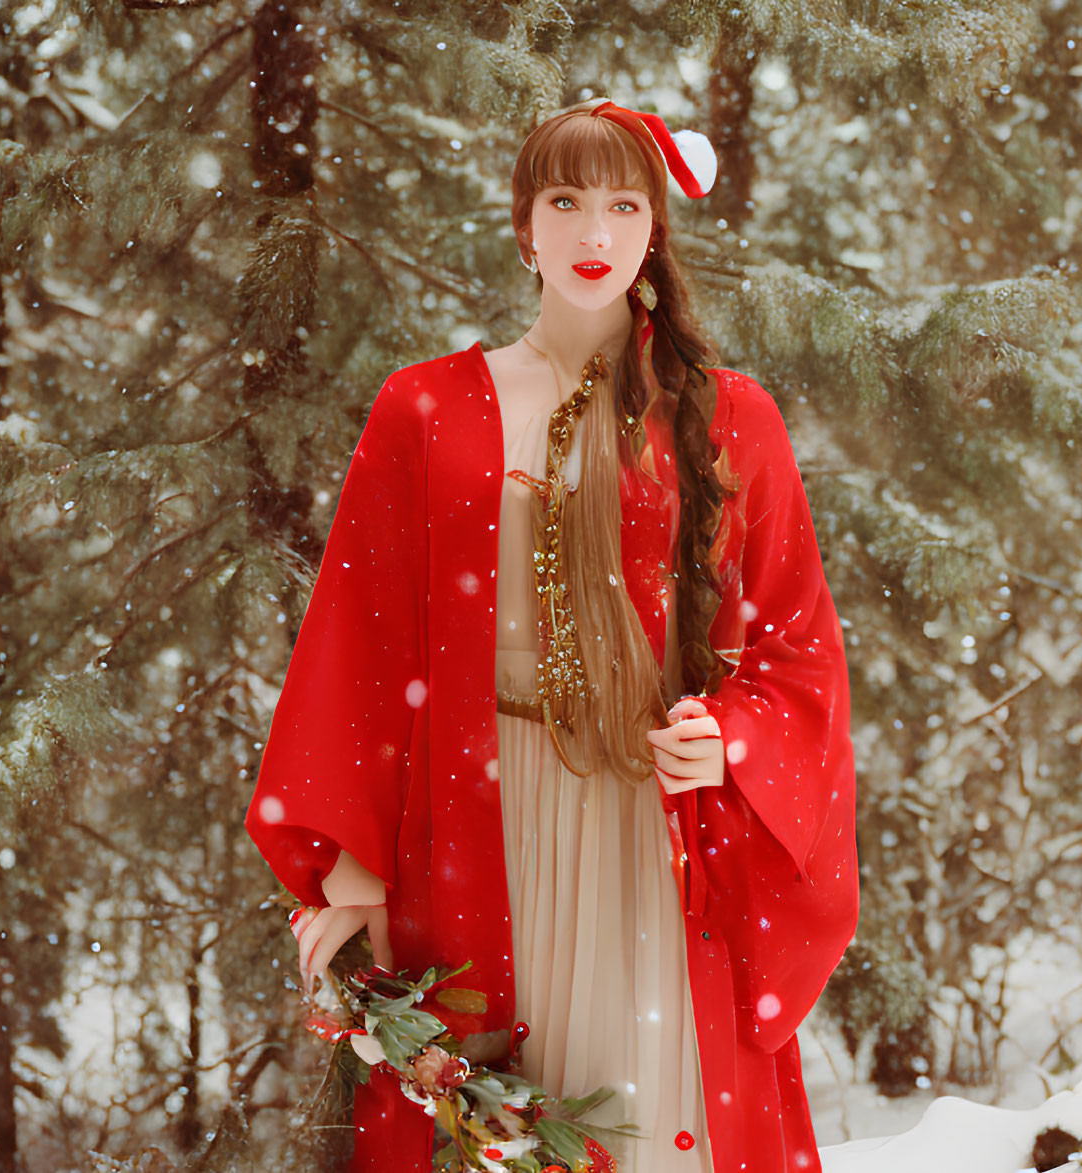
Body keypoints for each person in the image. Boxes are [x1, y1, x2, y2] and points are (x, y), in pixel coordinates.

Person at [244, 97, 860, 1173]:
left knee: (652, 1118)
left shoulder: (728, 417)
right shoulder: (424, 410)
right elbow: (357, 648)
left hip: (653, 834)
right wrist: (352, 877)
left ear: (653, 230)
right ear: (521, 223)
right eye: (564, 200)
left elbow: (795, 645)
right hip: (475, 822)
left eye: (623, 204)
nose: (592, 234)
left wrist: (733, 735)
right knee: (490, 1124)